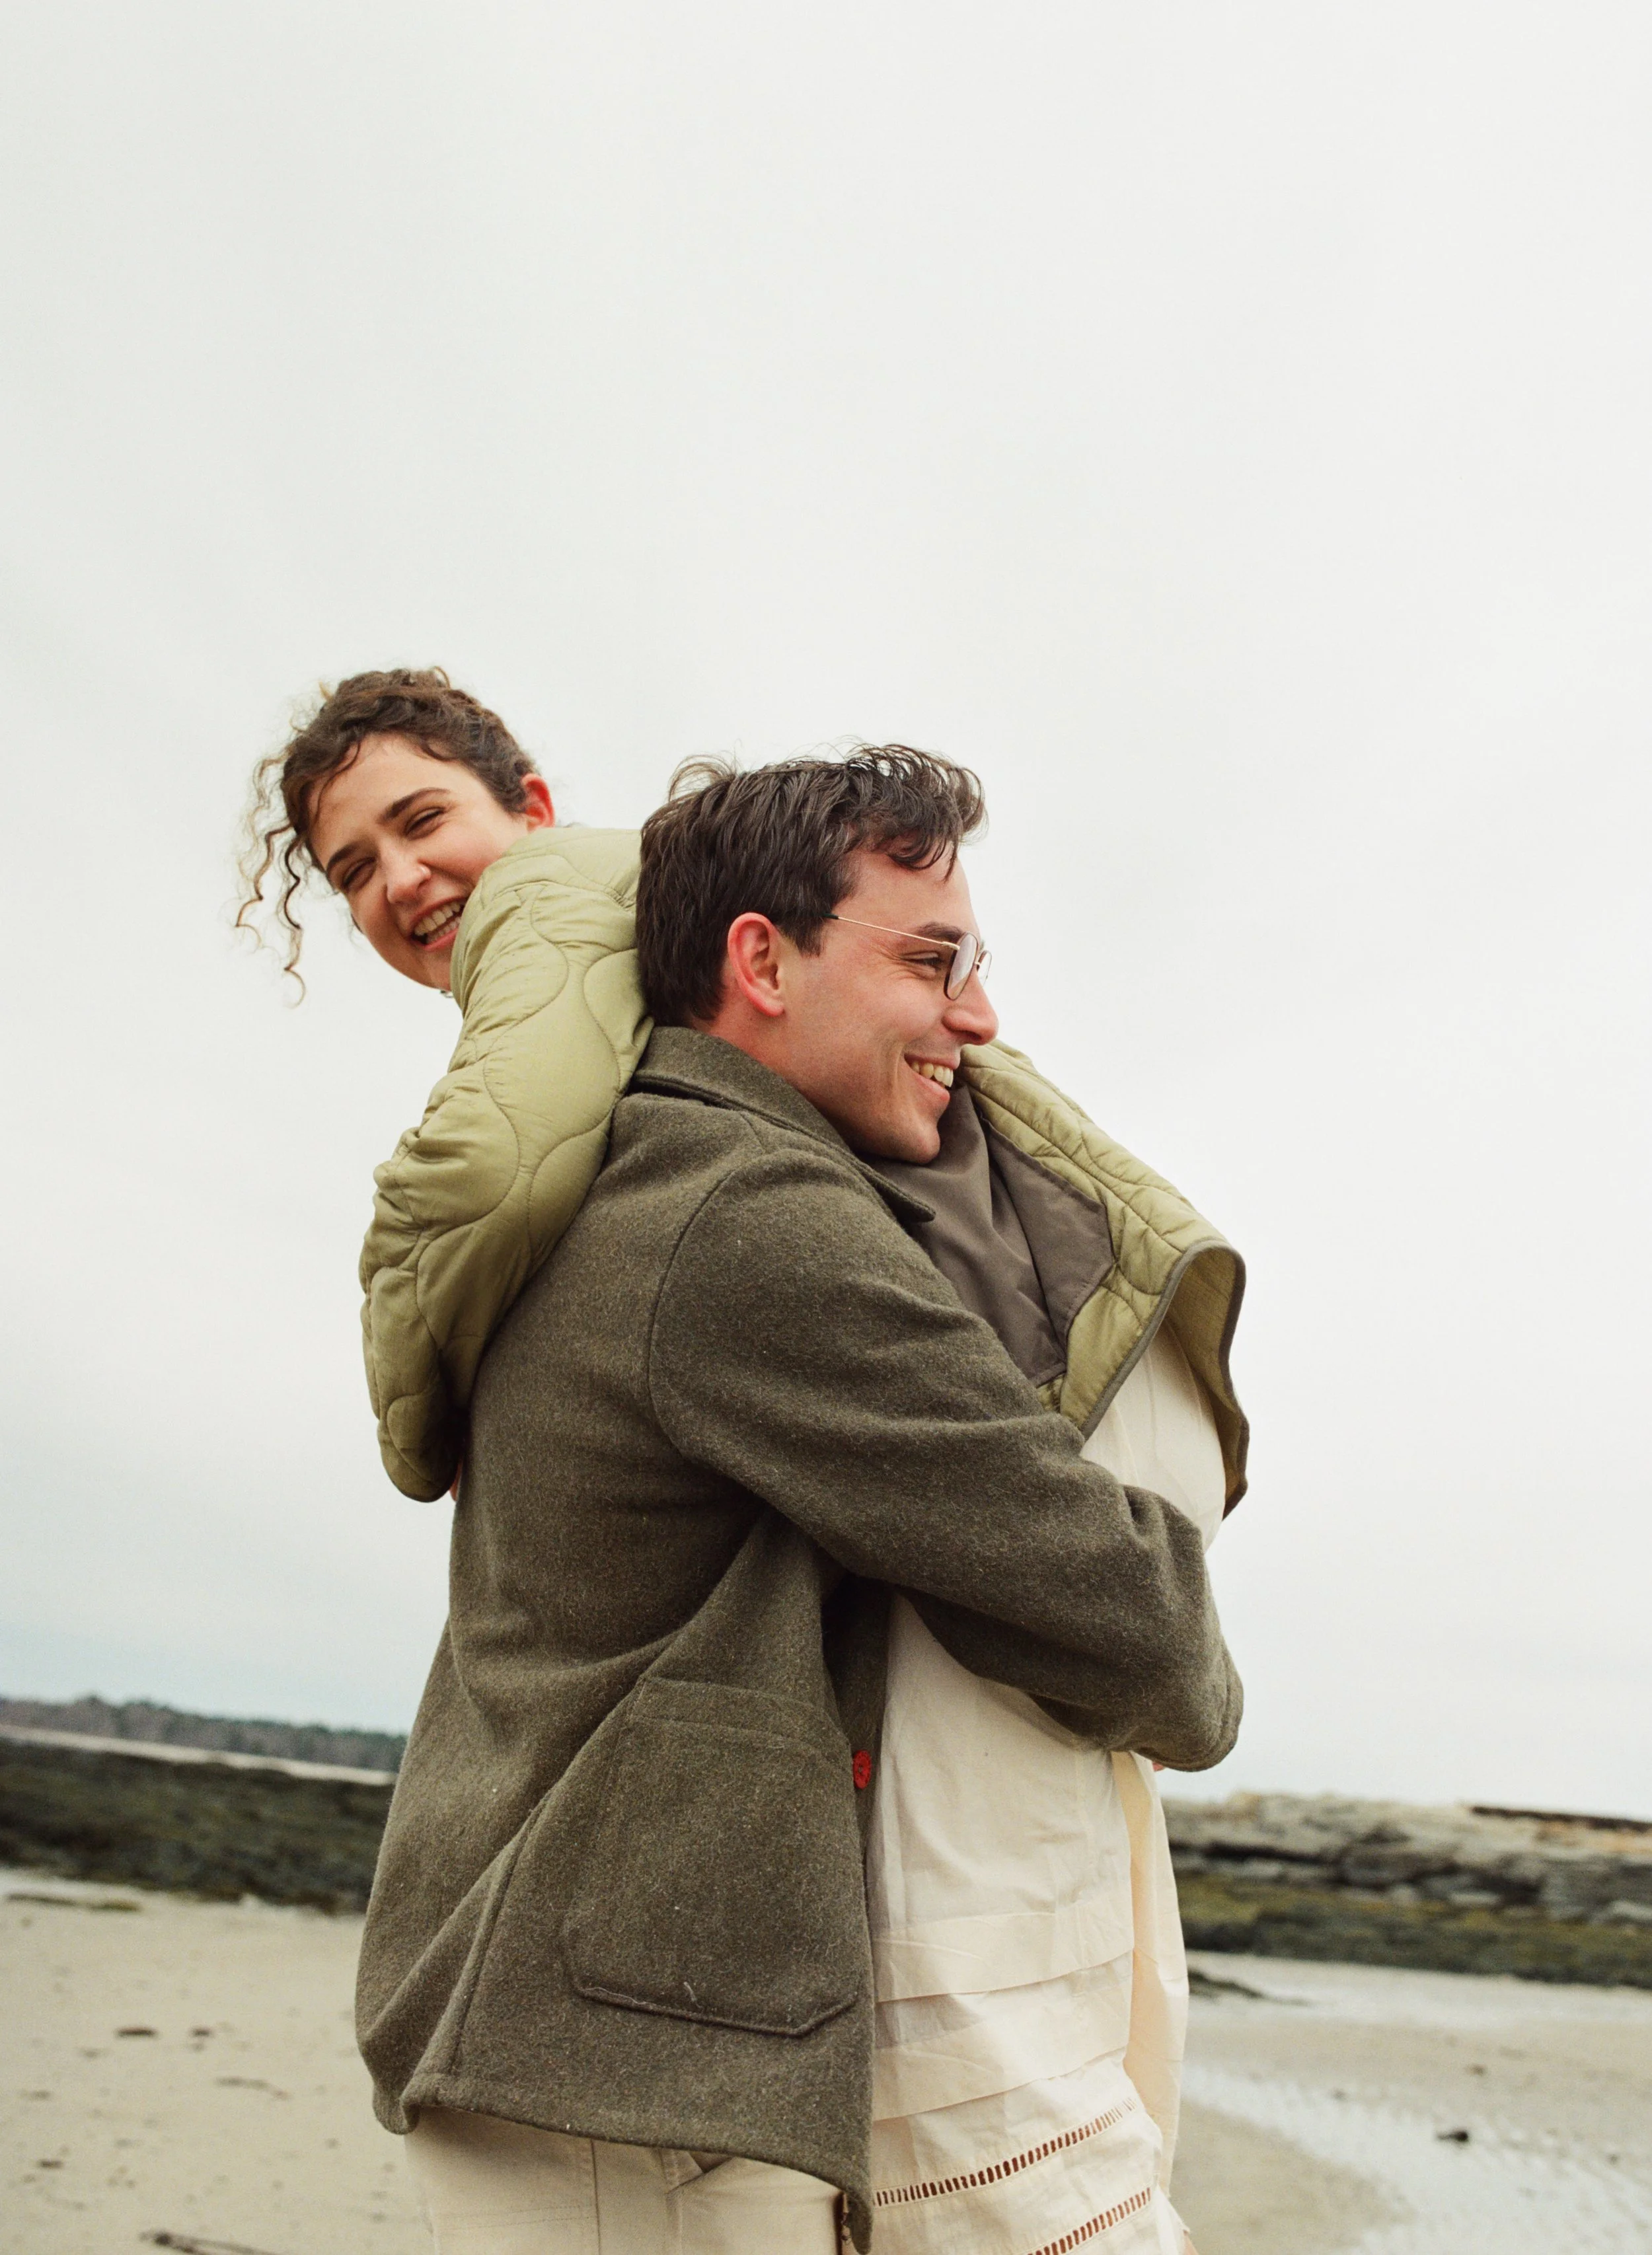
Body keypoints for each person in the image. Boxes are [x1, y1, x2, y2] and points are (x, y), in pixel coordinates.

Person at [240, 676, 1246, 2254]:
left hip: (588, 2026)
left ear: (531, 804)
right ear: (756, 960)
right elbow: (1138, 1631)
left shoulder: (625, 1149)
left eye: (419, 822)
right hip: (618, 2071)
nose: (977, 1020)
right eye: (931, 963)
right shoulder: (730, 1210)